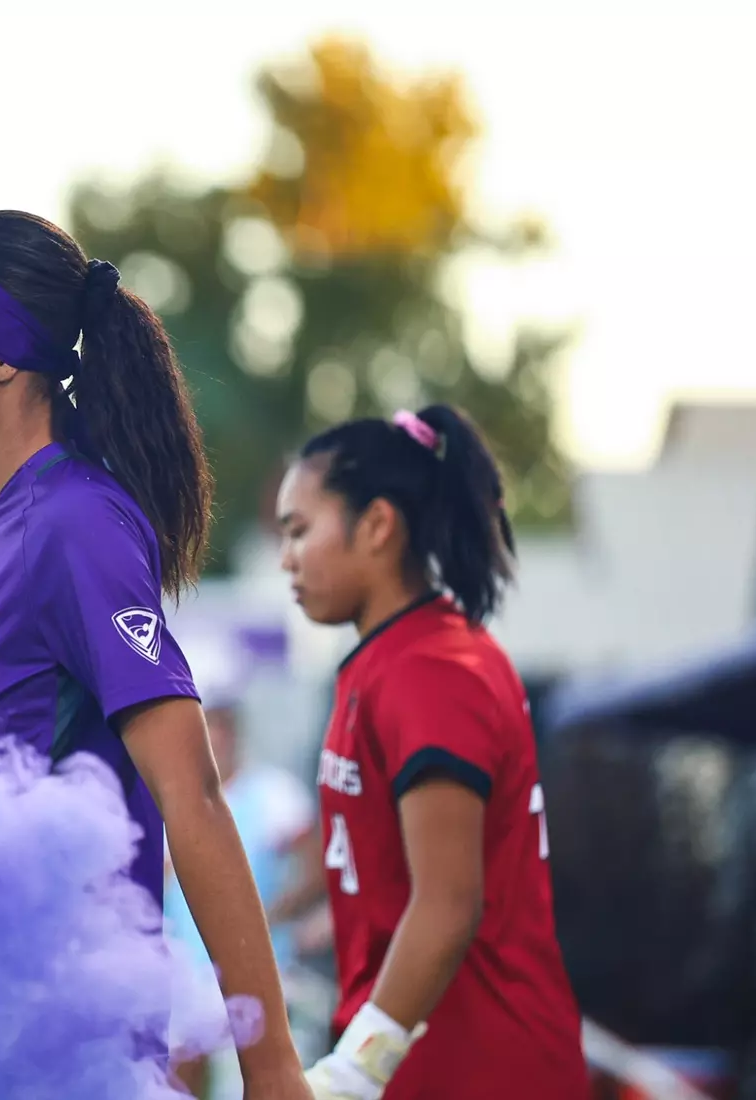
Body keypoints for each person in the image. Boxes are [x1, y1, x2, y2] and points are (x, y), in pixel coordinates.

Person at [0, 209, 310, 1099]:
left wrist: (270, 1070)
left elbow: (193, 795)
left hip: (66, 1058)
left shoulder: (75, 523)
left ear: (5, 355)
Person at [275, 406, 588, 1099]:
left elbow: (449, 903)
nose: (285, 557)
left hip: (483, 1073)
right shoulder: (387, 661)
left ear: (377, 525)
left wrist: (353, 1071)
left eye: (299, 530)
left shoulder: (432, 669)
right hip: (425, 1066)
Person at [165, 692, 316, 1098]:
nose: (213, 736)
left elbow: (318, 864)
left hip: (257, 971)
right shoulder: (168, 798)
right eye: (206, 724)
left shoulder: (272, 793)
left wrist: (275, 915)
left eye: (220, 725)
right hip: (187, 976)